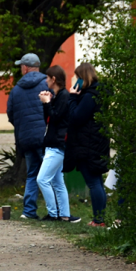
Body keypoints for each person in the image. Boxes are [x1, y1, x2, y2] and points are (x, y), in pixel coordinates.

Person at [6, 53, 49, 220]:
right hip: (46, 137)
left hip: (26, 138)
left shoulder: (16, 90)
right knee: (50, 174)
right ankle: (56, 210)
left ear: (25, 67)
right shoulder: (47, 83)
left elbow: (10, 114)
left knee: (32, 174)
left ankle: (29, 210)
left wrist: (22, 126)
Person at [67, 62, 110, 227]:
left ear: (82, 78)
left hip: (88, 145)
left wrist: (72, 96)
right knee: (97, 182)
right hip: (96, 143)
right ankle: (100, 218)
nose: (74, 79)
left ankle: (99, 220)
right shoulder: (98, 94)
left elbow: (76, 118)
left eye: (76, 77)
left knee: (93, 183)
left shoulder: (88, 97)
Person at [37, 65, 80, 223]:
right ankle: (64, 215)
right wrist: (46, 103)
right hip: (53, 143)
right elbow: (48, 120)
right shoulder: (58, 96)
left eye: (48, 78)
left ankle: (53, 213)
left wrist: (47, 103)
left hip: (57, 145)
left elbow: (55, 117)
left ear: (54, 79)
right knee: (57, 181)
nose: (46, 81)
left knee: (42, 179)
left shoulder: (64, 96)